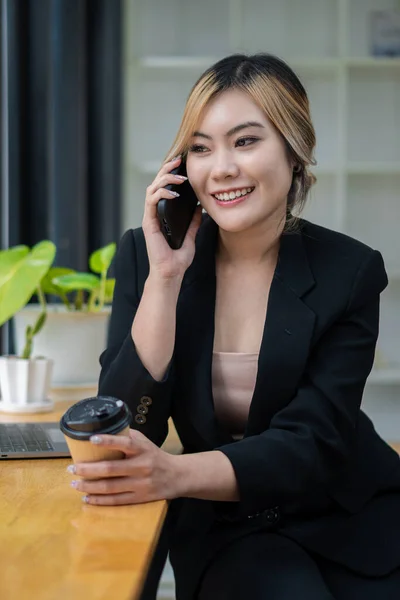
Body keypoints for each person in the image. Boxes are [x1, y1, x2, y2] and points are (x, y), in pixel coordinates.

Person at [67, 54, 400, 599]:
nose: (220, 167)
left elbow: (314, 441)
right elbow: (127, 425)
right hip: (228, 529)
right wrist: (165, 277)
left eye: (245, 141)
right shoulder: (145, 259)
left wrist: (175, 475)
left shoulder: (351, 270)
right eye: (200, 148)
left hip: (351, 516)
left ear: (295, 152)